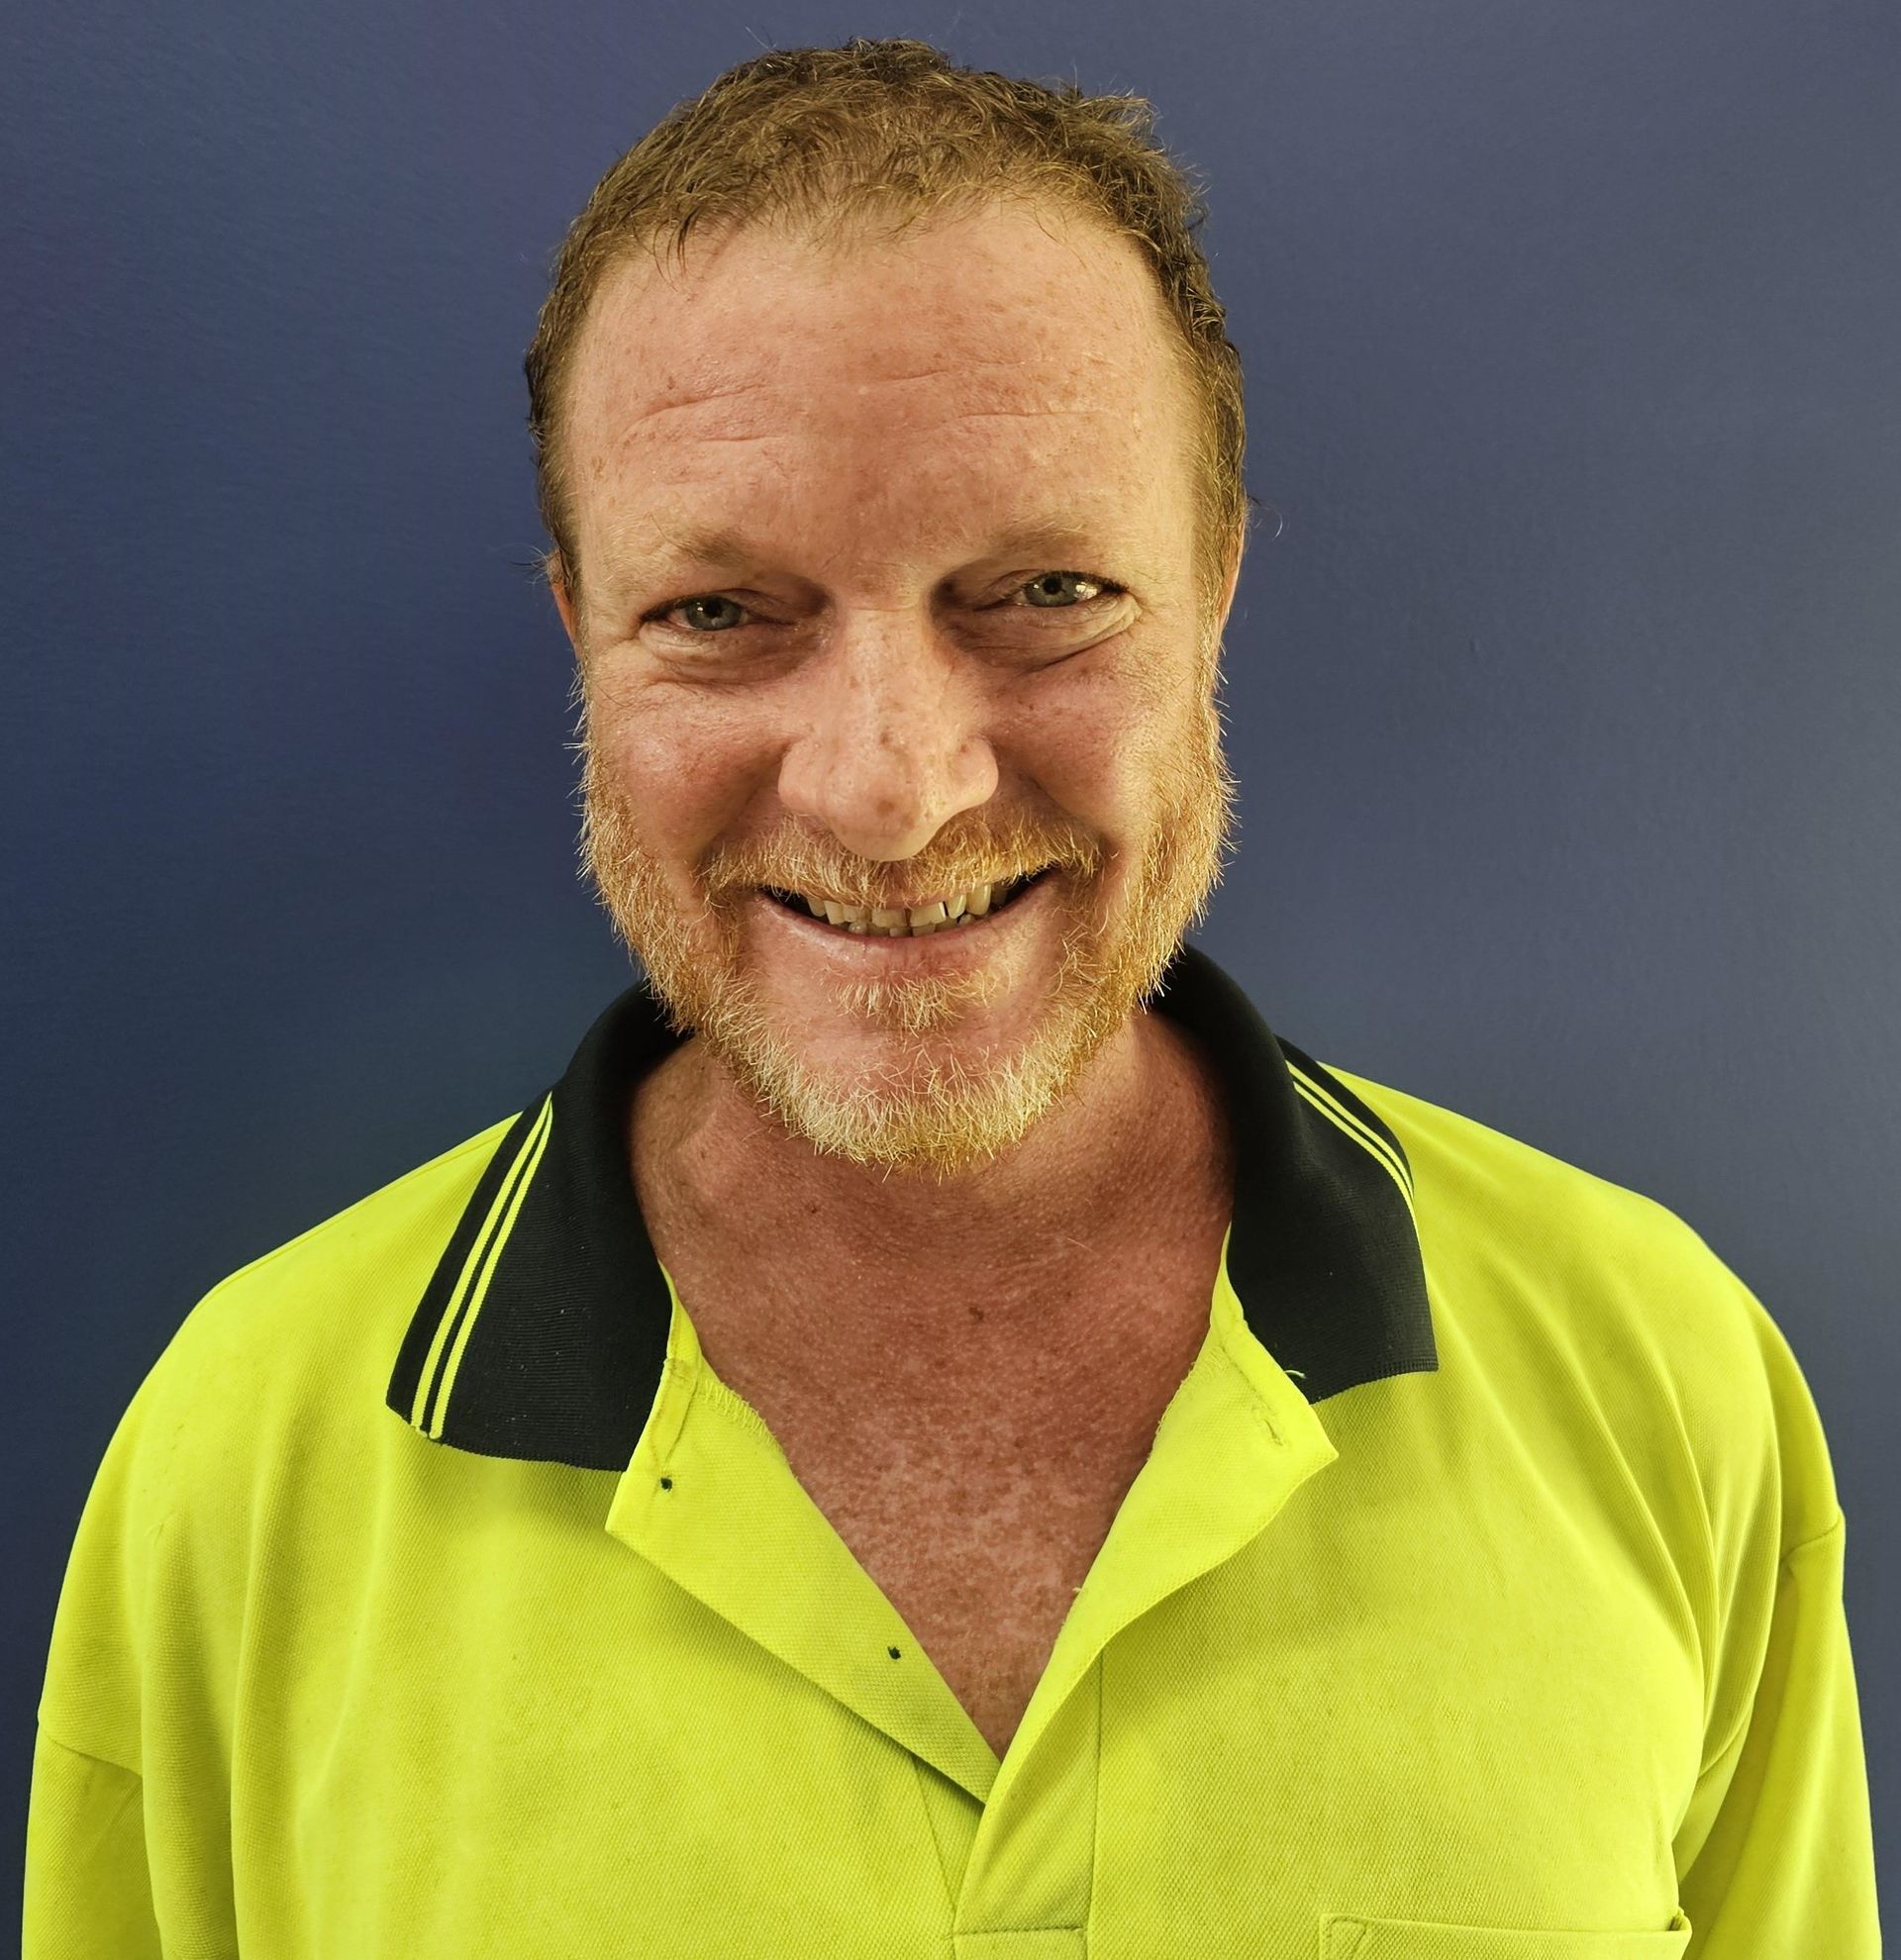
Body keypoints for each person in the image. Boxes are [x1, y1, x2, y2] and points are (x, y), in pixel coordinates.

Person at [25, 37, 1878, 1958]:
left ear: (1219, 583)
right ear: (580, 631)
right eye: (723, 614)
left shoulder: (1663, 1383)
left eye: (1047, 592)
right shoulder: (239, 1474)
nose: (892, 787)